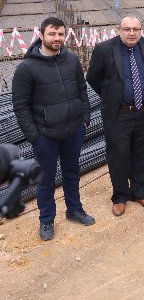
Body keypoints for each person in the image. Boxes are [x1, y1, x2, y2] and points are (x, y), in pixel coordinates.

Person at [12, 17, 93, 241]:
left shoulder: (71, 60)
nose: (57, 38)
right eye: (52, 34)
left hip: (73, 130)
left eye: (60, 34)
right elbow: (20, 105)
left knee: (72, 173)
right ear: (41, 35)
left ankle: (74, 209)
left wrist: (84, 119)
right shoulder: (27, 68)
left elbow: (82, 90)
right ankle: (46, 219)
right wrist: (34, 136)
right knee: (45, 180)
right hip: (45, 136)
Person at [87, 15, 144, 217]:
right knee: (118, 156)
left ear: (141, 30)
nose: (131, 33)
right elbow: (92, 77)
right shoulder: (104, 49)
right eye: (127, 29)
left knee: (142, 153)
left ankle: (140, 192)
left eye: (136, 29)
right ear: (119, 30)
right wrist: (112, 97)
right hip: (119, 114)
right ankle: (120, 196)